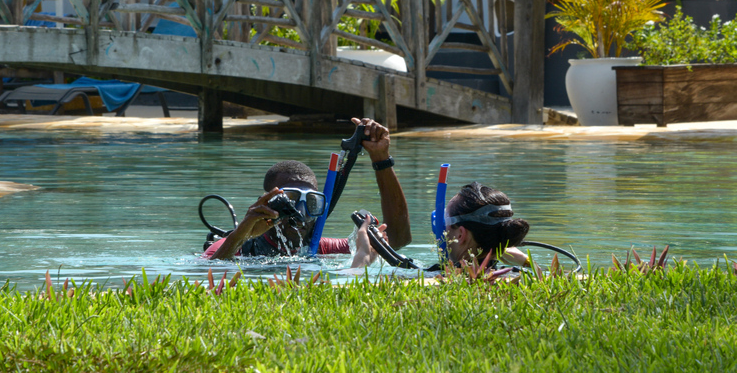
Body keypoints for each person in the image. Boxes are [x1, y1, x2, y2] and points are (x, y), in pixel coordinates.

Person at [204, 117, 411, 260]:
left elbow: (397, 241)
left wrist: (381, 159)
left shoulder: (323, 249)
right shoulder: (237, 247)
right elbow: (208, 272)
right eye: (290, 201)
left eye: (312, 203)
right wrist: (240, 235)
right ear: (266, 203)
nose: (300, 213)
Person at [352, 181, 529, 269]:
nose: (439, 228)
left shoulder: (432, 280)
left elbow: (353, 297)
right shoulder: (515, 274)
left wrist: (363, 257)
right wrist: (527, 263)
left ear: (460, 234)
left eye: (444, 221)